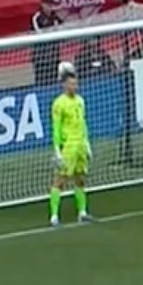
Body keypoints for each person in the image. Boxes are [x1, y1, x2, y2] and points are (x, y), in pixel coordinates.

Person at [48, 69, 94, 225]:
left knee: (81, 179)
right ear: (65, 85)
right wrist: (57, 150)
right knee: (60, 180)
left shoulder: (80, 101)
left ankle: (82, 212)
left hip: (80, 144)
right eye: (72, 84)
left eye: (76, 83)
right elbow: (56, 127)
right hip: (68, 146)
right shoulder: (58, 103)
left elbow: (83, 122)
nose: (75, 86)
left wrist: (87, 144)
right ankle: (54, 216)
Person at [30, 0, 63, 87]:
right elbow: (38, 34)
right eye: (48, 5)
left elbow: (63, 29)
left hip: (54, 57)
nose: (50, 7)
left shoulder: (56, 17)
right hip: (41, 59)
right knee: (41, 83)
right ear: (42, 4)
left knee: (53, 82)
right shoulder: (36, 18)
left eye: (52, 5)